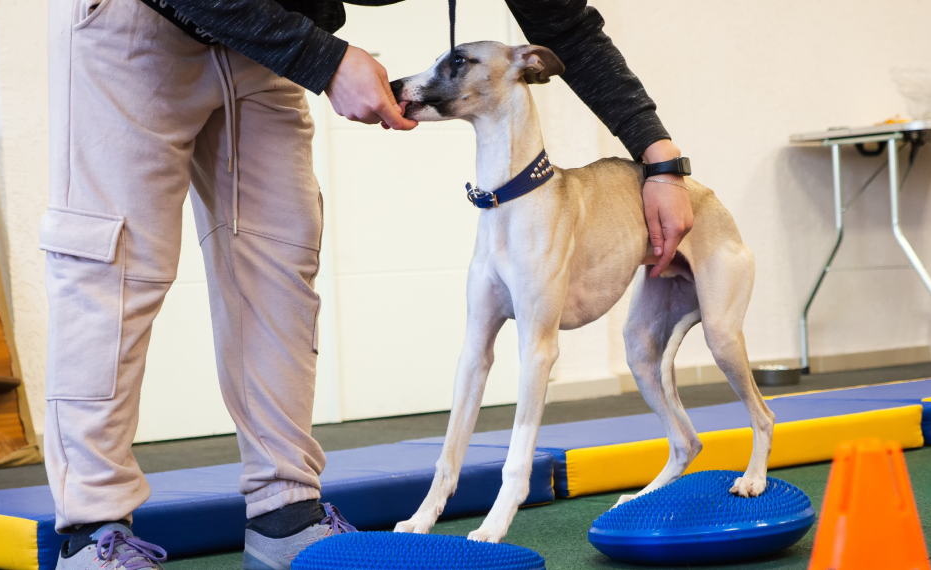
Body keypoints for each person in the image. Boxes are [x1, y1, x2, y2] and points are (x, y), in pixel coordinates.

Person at [41, 1, 693, 568]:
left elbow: (564, 25)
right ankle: (93, 532)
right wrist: (324, 59)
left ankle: (284, 517)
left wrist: (660, 160)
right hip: (142, 26)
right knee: (116, 269)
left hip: (266, 47)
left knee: (279, 271)